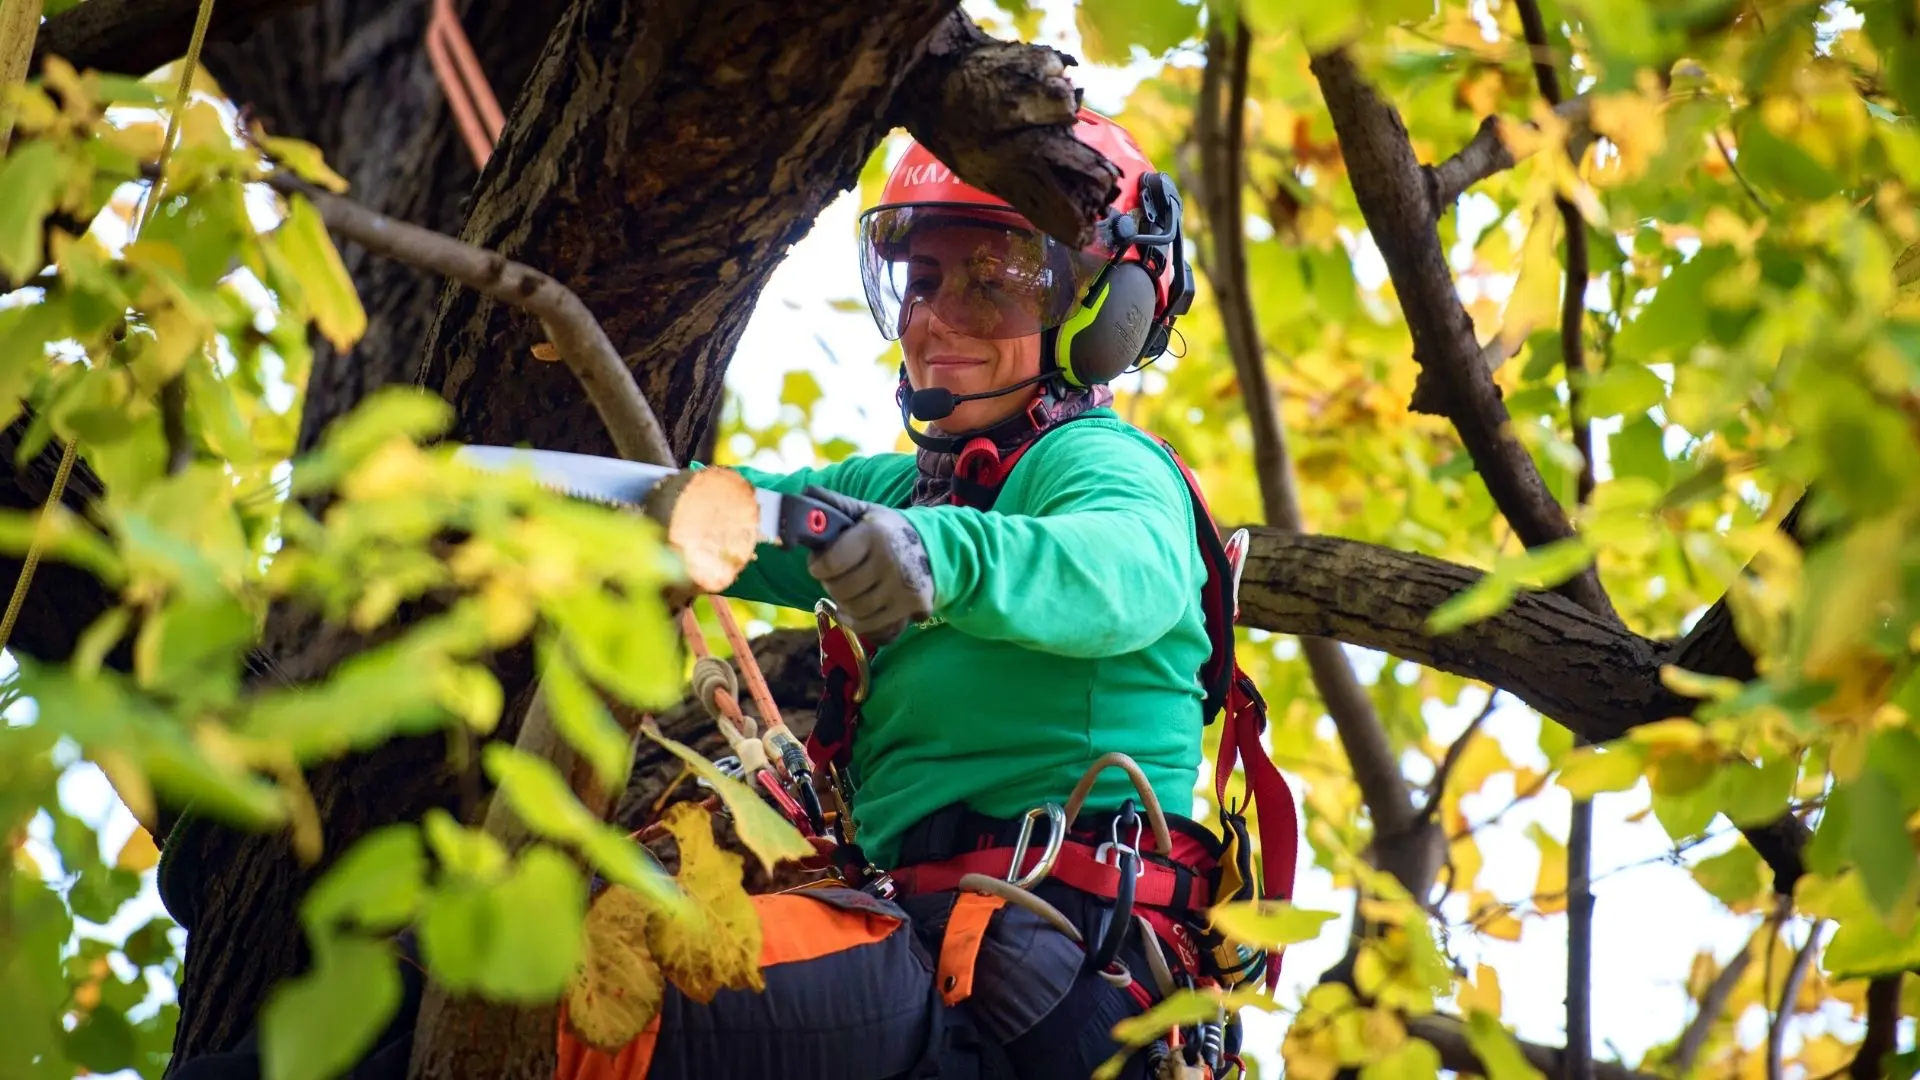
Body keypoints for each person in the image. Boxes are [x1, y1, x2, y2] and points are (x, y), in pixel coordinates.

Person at [168, 106, 1293, 1080]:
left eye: (996, 284)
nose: (937, 318)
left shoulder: (1100, 468)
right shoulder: (898, 487)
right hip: (915, 966)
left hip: (1036, 982)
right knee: (475, 988)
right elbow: (712, 508)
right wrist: (472, 494)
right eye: (924, 279)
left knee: (599, 1009)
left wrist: (930, 555)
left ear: (1102, 317)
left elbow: (1123, 577)